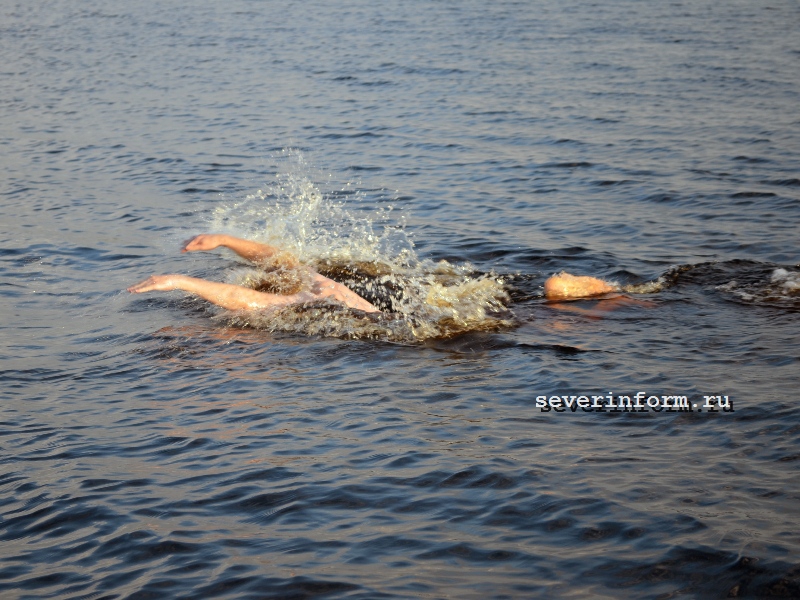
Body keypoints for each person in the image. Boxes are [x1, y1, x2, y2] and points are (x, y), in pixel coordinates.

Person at [127, 233, 619, 311]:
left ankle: (610, 297)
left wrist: (182, 281)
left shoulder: (318, 297)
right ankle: (611, 297)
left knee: (550, 298)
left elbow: (256, 302)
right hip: (405, 294)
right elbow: (284, 263)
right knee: (545, 296)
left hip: (392, 305)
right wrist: (226, 239)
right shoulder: (317, 286)